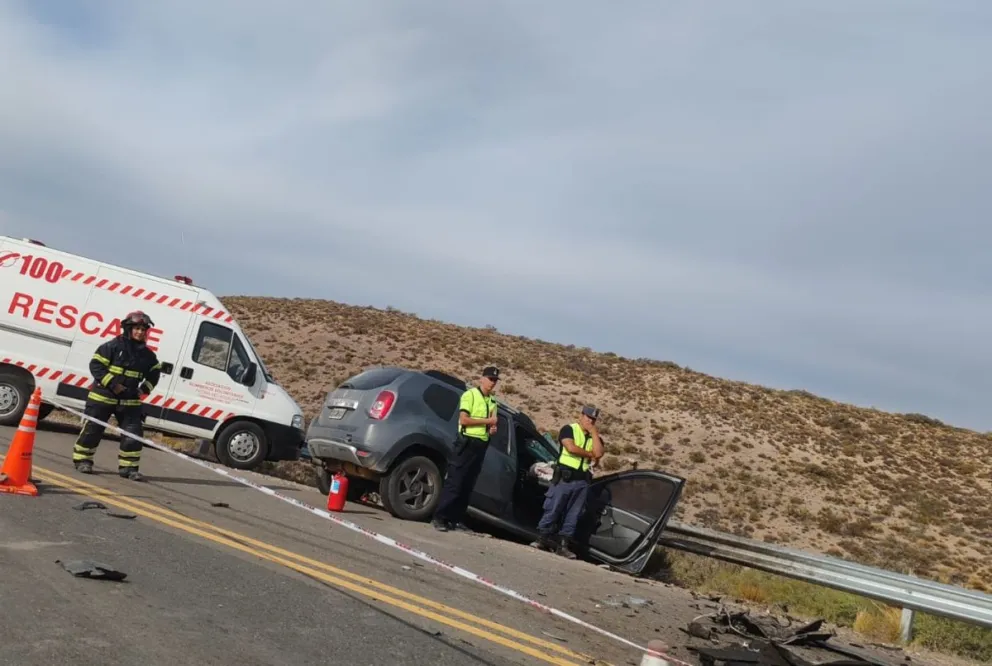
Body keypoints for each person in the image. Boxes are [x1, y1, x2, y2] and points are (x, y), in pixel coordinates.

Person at [71, 311, 162, 481]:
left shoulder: (147, 355)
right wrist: (113, 384)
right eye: (137, 328)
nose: (140, 332)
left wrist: (144, 390)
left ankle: (129, 468)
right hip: (102, 397)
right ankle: (83, 460)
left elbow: (155, 372)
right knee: (93, 429)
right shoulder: (112, 346)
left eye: (143, 329)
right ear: (128, 328)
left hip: (129, 401)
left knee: (133, 433)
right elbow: (96, 365)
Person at [431, 365, 501, 532]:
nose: (492, 383)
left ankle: (456, 519)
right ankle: (440, 517)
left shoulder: (492, 401)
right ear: (482, 379)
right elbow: (464, 420)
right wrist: (487, 422)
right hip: (466, 443)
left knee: (468, 484)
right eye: (490, 379)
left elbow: (491, 424)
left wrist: (491, 429)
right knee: (455, 481)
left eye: (495, 380)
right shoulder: (470, 395)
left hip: (481, 444)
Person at [531, 405, 604, 558]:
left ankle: (563, 544)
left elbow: (599, 453)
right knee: (554, 507)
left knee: (573, 514)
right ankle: (542, 538)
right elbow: (570, 447)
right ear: (581, 415)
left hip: (582, 481)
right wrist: (589, 454)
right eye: (588, 417)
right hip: (565, 477)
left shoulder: (593, 436)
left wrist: (594, 433)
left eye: (593, 419)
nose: (590, 421)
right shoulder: (569, 429)